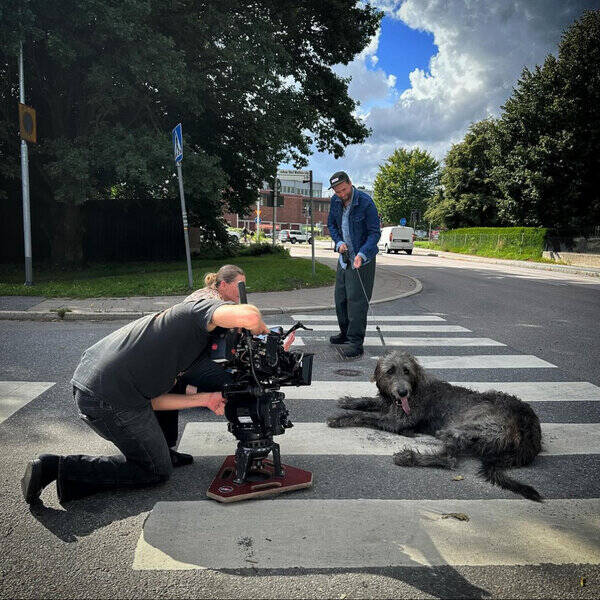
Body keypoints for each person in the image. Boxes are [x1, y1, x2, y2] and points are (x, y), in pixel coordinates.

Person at [21, 264, 270, 504]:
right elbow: (247, 314)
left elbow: (155, 400)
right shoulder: (194, 311)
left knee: (168, 410)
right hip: (106, 398)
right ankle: (57, 467)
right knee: (156, 471)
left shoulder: (179, 346)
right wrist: (261, 329)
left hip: (101, 384)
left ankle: (160, 449)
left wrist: (205, 399)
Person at [326, 171, 381, 359]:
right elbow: (332, 225)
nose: (341, 194)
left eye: (343, 189)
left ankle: (356, 342)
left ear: (350, 183)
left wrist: (362, 253)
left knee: (356, 301)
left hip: (362, 260)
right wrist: (338, 242)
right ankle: (345, 333)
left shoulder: (365, 202)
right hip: (344, 258)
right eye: (337, 191)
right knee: (340, 298)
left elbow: (374, 233)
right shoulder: (335, 202)